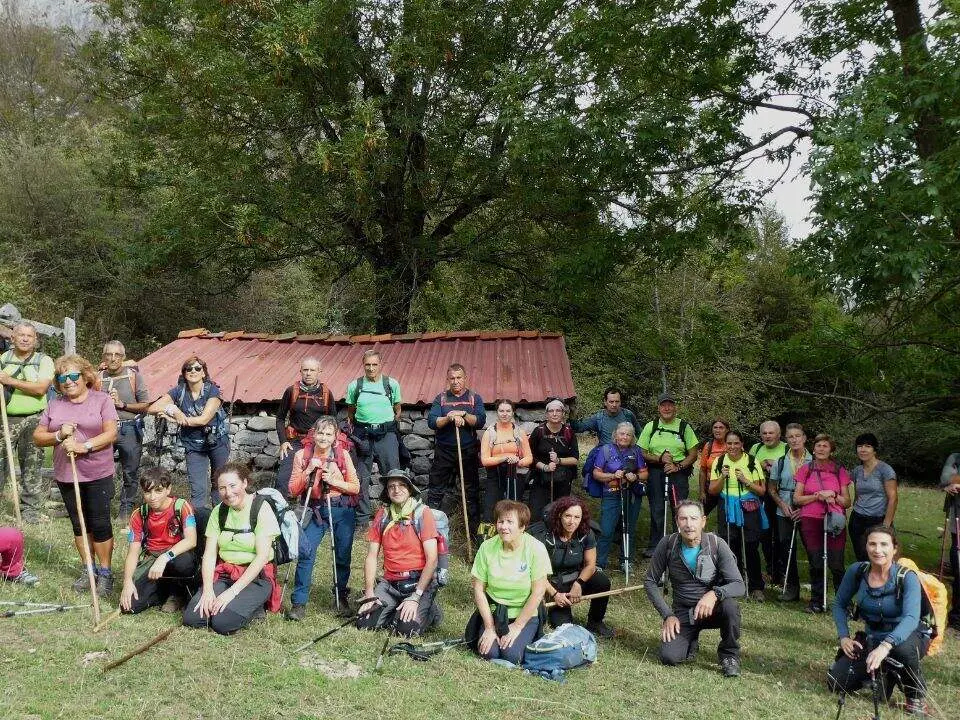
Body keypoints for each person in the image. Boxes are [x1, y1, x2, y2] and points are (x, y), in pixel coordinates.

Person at [32, 355, 118, 595]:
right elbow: (38, 437)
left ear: (85, 376)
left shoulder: (101, 400)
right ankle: (88, 569)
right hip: (67, 473)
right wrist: (58, 435)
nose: (68, 381)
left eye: (73, 376)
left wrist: (84, 446)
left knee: (100, 523)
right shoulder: (55, 404)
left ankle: (105, 573)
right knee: (79, 524)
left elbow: (111, 434)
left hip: (97, 472)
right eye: (62, 378)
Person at [828, 526, 931, 717]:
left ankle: (915, 696)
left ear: (894, 548)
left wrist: (885, 646)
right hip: (873, 636)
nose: (878, 550)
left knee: (901, 650)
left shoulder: (907, 577)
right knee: (836, 682)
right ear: (866, 547)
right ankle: (886, 673)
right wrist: (844, 637)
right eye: (872, 544)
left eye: (884, 544)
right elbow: (839, 604)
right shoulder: (857, 571)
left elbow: (911, 618)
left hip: (909, 635)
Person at [644, 500, 746, 677]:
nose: (688, 524)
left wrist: (714, 594)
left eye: (693, 518)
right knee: (669, 657)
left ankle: (729, 655)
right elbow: (650, 581)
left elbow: (738, 585)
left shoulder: (717, 544)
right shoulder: (667, 544)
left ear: (703, 521)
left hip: (714, 609)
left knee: (730, 607)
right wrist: (668, 615)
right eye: (683, 519)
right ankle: (691, 640)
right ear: (677, 521)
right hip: (684, 612)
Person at [183, 463, 281, 634]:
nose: (228, 493)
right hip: (225, 574)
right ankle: (235, 603)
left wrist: (231, 593)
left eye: (233, 485)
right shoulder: (218, 512)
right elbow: (210, 555)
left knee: (222, 623)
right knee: (193, 618)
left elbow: (262, 557)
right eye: (222, 488)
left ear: (245, 483)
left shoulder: (260, 508)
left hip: (256, 577)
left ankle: (257, 607)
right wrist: (208, 590)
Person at [286, 416, 360, 619]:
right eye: (320, 433)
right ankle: (299, 603)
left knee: (342, 555)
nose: (324, 438)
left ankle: (341, 596)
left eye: (328, 434)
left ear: (335, 436)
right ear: (313, 434)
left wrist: (334, 481)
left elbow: (355, 487)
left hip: (340, 509)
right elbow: (293, 490)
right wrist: (308, 471)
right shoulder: (302, 455)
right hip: (315, 510)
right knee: (306, 552)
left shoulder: (343, 455)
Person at [356, 469, 442, 637]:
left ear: (410, 489)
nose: (396, 490)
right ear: (387, 492)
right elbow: (371, 556)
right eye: (391, 486)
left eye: (402, 485)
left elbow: (432, 560)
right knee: (364, 623)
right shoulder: (382, 515)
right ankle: (396, 608)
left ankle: (430, 610)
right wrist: (369, 593)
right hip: (390, 583)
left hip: (418, 583)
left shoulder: (422, 513)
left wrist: (416, 597)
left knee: (405, 631)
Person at [467, 500, 551, 665]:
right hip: (495, 612)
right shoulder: (486, 547)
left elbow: (538, 592)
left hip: (524, 614)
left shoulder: (536, 548)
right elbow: (478, 589)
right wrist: (489, 627)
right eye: (500, 521)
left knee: (512, 656)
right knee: (488, 653)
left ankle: (529, 633)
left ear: (522, 526)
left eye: (510, 522)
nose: (503, 527)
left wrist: (518, 626)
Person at [147, 356, 229, 509]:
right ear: (184, 373)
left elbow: (203, 419)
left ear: (203, 373)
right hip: (193, 445)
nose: (193, 371)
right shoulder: (179, 390)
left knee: (219, 483)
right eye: (189, 369)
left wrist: (176, 419)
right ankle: (199, 520)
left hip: (217, 442)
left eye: (198, 368)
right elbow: (152, 408)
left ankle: (220, 517)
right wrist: (173, 409)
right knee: (198, 489)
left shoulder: (212, 390)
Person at [119, 467, 199, 614]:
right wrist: (127, 582)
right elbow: (133, 552)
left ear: (168, 489)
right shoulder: (139, 514)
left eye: (158, 491)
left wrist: (164, 557)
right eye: (147, 492)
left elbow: (191, 540)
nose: (152, 497)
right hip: (152, 557)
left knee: (183, 563)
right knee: (128, 607)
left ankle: (178, 593)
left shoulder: (181, 506)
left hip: (177, 556)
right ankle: (161, 592)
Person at [532, 496, 613, 637]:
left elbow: (590, 565)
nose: (572, 522)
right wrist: (555, 595)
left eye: (577, 517)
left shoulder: (586, 533)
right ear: (559, 515)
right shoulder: (544, 536)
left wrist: (578, 584)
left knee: (602, 581)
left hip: (576, 578)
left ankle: (596, 622)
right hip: (551, 584)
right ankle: (556, 612)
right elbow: (536, 573)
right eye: (567, 516)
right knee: (564, 626)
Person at [0, 322, 55, 524]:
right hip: (5, 418)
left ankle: (30, 511)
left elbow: (41, 389)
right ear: (12, 338)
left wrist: (10, 381)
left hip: (34, 419)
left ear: (35, 340)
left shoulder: (44, 361)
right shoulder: (3, 360)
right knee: (0, 464)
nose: (24, 339)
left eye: (29, 336)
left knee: (32, 465)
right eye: (21, 335)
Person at [793, 433, 853, 613]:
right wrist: (817, 496)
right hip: (810, 519)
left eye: (825, 446)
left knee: (836, 563)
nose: (821, 449)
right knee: (816, 561)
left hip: (834, 519)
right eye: (818, 445)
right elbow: (797, 499)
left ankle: (844, 604)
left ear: (831, 450)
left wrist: (833, 494)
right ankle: (816, 601)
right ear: (813, 449)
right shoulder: (805, 469)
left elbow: (847, 502)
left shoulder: (839, 470)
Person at [708, 429, 768, 601]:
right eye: (729, 443)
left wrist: (745, 481)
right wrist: (722, 477)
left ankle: (756, 586)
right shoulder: (720, 461)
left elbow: (761, 490)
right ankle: (734, 582)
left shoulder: (752, 461)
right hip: (727, 505)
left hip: (748, 506)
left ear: (742, 444)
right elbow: (712, 490)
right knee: (729, 544)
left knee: (750, 545)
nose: (732, 446)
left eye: (736, 443)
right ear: (725, 445)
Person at [426, 364, 486, 535]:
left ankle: (473, 536)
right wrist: (450, 417)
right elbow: (432, 422)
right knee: (436, 491)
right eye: (452, 378)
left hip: (468, 451)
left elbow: (480, 421)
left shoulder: (474, 398)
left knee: (471, 492)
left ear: (465, 378)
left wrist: (463, 415)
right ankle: (430, 533)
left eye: (459, 377)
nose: (455, 381)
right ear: (448, 379)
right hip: (444, 451)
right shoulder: (441, 398)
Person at [345, 349, 402, 527]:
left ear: (380, 364)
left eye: (374, 364)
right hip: (362, 436)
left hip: (387, 435)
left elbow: (397, 408)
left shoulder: (391, 384)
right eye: (367, 364)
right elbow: (351, 411)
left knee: (393, 476)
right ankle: (362, 520)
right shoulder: (355, 386)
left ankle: (394, 516)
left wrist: (388, 425)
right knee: (360, 478)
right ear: (363, 365)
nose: (371, 368)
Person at [639, 392, 699, 556]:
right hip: (656, 472)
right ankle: (656, 547)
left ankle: (680, 545)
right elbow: (641, 452)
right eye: (663, 405)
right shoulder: (651, 426)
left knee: (679, 509)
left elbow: (693, 454)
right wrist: (659, 458)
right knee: (657, 508)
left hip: (678, 473)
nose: (667, 408)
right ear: (658, 408)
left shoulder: (684, 427)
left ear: (675, 407)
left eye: (670, 405)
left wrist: (677, 466)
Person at [99, 341, 151, 519]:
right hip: (104, 429)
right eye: (109, 354)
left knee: (130, 471)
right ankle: (103, 506)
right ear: (104, 357)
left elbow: (145, 405)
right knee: (101, 470)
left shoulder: (134, 376)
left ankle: (126, 510)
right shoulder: (98, 378)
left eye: (117, 355)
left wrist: (122, 404)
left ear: (123, 357)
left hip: (128, 429)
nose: (113, 358)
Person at [274, 357, 336, 495]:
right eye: (305, 370)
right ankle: (280, 506)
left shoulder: (326, 393)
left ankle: (313, 506)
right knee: (283, 479)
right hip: (295, 441)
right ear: (300, 371)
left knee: (318, 479)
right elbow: (280, 418)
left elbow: (333, 421)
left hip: (318, 442)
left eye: (312, 370)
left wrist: (331, 442)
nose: (308, 373)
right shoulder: (292, 391)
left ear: (319, 371)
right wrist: (283, 441)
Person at [591, 422, 648, 571]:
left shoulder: (636, 451)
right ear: (615, 435)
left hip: (631, 494)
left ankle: (626, 561)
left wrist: (635, 476)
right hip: (611, 494)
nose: (624, 437)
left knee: (629, 528)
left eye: (628, 434)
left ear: (632, 437)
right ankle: (599, 563)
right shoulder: (605, 450)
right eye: (622, 433)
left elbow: (644, 473)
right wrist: (612, 475)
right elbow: (596, 473)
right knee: (606, 529)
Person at [768, 423, 810, 601]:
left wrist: (804, 508)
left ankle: (818, 592)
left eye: (797, 436)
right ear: (786, 439)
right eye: (790, 437)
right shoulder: (780, 461)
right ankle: (792, 588)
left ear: (804, 438)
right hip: (783, 510)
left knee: (812, 549)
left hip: (807, 510)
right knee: (786, 549)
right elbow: (771, 488)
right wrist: (781, 504)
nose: (794, 440)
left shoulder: (813, 461)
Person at [527, 398, 579, 524]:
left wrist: (558, 460)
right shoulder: (538, 431)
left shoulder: (569, 432)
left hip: (562, 480)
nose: (554, 414)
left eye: (558, 411)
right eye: (551, 411)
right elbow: (530, 456)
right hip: (541, 479)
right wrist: (545, 467)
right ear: (546, 414)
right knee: (536, 514)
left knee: (560, 513)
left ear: (563, 413)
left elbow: (575, 459)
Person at [480, 399, 533, 521]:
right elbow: (485, 460)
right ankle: (489, 532)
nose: (505, 414)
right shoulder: (490, 433)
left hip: (515, 474)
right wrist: (504, 458)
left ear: (513, 412)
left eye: (508, 411)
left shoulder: (519, 432)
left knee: (514, 509)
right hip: (495, 476)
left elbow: (529, 458)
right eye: (501, 411)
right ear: (497, 412)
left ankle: (515, 532)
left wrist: (518, 461)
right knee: (491, 509)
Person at [848, 433, 898, 562]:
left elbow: (893, 499)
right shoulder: (857, 470)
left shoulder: (885, 470)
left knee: (879, 559)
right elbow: (857, 494)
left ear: (874, 450)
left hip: (877, 520)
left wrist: (886, 526)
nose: (863, 449)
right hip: (857, 519)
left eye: (867, 446)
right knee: (862, 558)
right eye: (860, 446)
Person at [750, 421, 788, 586]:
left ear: (779, 434)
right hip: (760, 494)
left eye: (771, 433)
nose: (767, 436)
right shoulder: (756, 448)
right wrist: (761, 464)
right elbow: (747, 467)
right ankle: (771, 571)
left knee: (781, 535)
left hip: (781, 495)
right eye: (764, 433)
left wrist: (776, 465)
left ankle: (783, 572)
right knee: (764, 534)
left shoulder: (787, 448)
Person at [572, 386, 641, 446]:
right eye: (611, 402)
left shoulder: (628, 414)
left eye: (617, 401)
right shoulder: (598, 417)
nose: (614, 405)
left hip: (626, 453)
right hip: (606, 454)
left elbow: (640, 433)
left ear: (620, 402)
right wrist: (572, 413)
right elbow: (578, 428)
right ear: (605, 402)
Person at [939, 452, 960, 631]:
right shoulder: (955, 458)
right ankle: (957, 616)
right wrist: (950, 484)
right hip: (957, 523)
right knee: (958, 570)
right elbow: (946, 478)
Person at [698, 418, 729, 517]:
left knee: (725, 516)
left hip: (727, 487)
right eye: (715, 427)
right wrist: (702, 492)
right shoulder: (708, 446)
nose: (717, 430)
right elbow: (702, 470)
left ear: (727, 430)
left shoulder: (732, 445)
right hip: (710, 485)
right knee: (700, 514)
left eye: (721, 428)